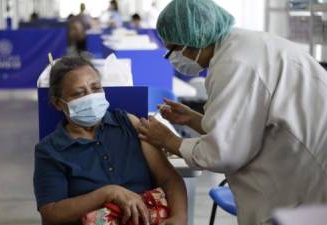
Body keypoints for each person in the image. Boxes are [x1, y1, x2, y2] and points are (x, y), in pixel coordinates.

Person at [137, 0, 327, 224]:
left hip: (309, 178)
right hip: (299, 166)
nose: (175, 58)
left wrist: (169, 140)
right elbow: (245, 126)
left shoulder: (234, 64)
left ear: (196, 37)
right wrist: (192, 118)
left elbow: (223, 153)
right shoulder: (246, 45)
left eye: (175, 49)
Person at [33, 55, 188, 225]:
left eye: (96, 88)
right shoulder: (50, 150)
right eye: (79, 93)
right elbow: (52, 213)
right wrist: (108, 193)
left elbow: (169, 178)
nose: (90, 97)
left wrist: (179, 218)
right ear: (58, 103)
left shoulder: (130, 124)